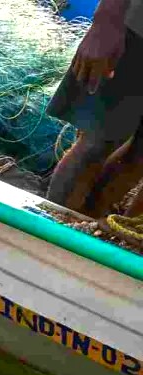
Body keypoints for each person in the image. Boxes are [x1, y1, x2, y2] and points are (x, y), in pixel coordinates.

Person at [46, 0, 143, 217]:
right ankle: (48, 229)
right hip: (137, 28)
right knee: (96, 142)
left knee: (139, 158)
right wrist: (107, 19)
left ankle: (93, 230)